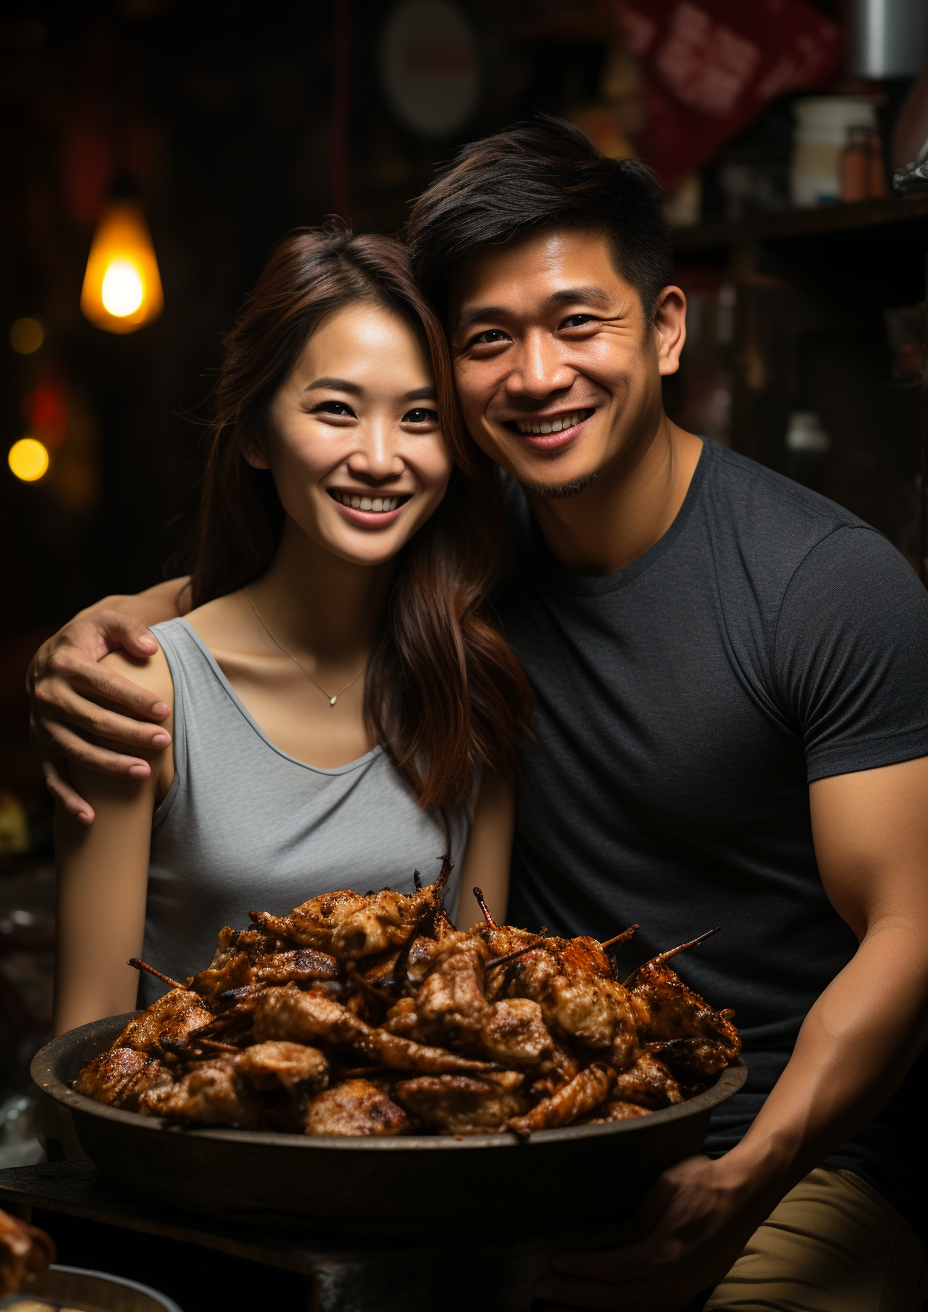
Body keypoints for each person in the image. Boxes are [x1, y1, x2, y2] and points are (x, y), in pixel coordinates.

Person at [29, 120, 928, 1311]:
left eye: (577, 322)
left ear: (665, 329)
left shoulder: (825, 585)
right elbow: (306, 568)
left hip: (785, 1148)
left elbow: (910, 932)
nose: (538, 375)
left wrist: (748, 1178)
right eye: (488, 340)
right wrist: (113, 630)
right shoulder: (469, 560)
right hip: (525, 1157)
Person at [49, 224, 530, 1050]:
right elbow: (82, 1051)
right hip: (181, 1157)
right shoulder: (143, 691)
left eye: (419, 417)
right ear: (256, 436)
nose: (381, 458)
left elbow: (472, 1029)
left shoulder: (471, 688)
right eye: (336, 410)